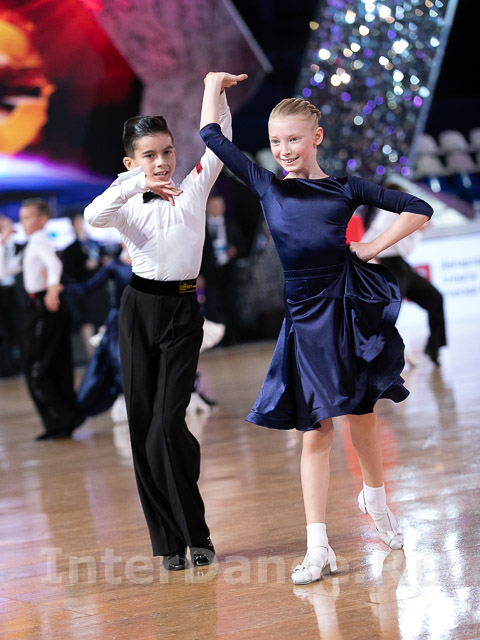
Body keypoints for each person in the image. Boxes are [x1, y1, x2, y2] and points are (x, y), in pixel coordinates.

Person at [200, 72, 433, 585]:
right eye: (276, 141)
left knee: (363, 416)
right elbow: (211, 136)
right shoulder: (265, 184)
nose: (283, 150)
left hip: (346, 311)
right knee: (315, 433)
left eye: (293, 139)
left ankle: (376, 500)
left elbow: (419, 208)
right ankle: (317, 546)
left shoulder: (346, 188)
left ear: (316, 137)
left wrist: (371, 247)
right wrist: (213, 87)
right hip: (304, 323)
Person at [83, 75, 237, 572]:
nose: (162, 161)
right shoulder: (126, 199)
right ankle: (170, 542)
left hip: (184, 312)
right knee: (143, 427)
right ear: (131, 162)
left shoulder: (194, 188)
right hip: (138, 311)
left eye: (167, 151)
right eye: (149, 155)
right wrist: (136, 184)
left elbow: (221, 142)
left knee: (168, 425)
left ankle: (197, 533)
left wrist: (214, 92)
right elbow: (91, 217)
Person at [0, 199, 82, 440]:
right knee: (49, 365)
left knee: (38, 369)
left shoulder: (40, 242)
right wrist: (3, 242)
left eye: (27, 217)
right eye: (22, 218)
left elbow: (54, 264)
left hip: (46, 306)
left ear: (43, 220)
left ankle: (62, 420)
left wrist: (53, 288)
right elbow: (4, 271)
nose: (23, 222)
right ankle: (61, 422)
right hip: (38, 307)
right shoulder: (31, 245)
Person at [361, 184, 446, 366]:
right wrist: (419, 232)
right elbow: (405, 249)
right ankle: (374, 356)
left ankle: (434, 347)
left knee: (435, 298)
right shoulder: (390, 215)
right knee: (389, 313)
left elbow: (369, 239)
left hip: (399, 265)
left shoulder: (390, 214)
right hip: (389, 267)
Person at [201, 192, 245, 345]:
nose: (216, 208)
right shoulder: (201, 227)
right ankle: (214, 340)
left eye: (219, 205)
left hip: (228, 271)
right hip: (210, 273)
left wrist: (234, 251)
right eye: (213, 205)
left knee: (231, 304)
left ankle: (231, 338)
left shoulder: (230, 224)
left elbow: (241, 245)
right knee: (211, 305)